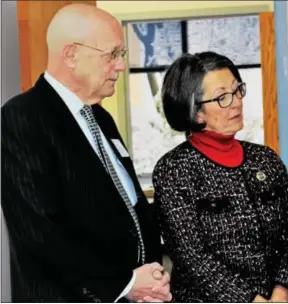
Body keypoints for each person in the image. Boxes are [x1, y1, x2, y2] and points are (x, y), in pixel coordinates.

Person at [1, 4, 172, 302]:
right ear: (71, 55)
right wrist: (126, 283)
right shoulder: (22, 118)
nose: (120, 66)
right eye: (112, 54)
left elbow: (129, 205)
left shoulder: (101, 119)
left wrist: (151, 275)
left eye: (122, 55)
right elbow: (40, 232)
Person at [152, 51, 288, 302]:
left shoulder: (265, 159)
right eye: (222, 97)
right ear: (196, 112)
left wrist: (282, 292)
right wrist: (251, 300)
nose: (236, 102)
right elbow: (192, 256)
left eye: (237, 91)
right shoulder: (174, 169)